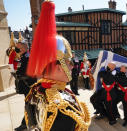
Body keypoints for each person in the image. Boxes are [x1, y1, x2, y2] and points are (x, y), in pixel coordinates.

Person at [24, 1, 91, 131]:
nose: (72, 67)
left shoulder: (35, 90)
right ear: (60, 66)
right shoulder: (63, 107)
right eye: (69, 63)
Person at [14, 40, 37, 131]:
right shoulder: (24, 56)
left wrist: (18, 74)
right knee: (30, 104)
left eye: (19, 47)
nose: (18, 49)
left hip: (28, 85)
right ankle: (31, 121)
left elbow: (29, 72)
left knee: (28, 105)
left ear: (24, 47)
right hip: (27, 84)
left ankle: (25, 124)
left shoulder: (27, 57)